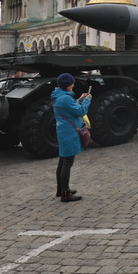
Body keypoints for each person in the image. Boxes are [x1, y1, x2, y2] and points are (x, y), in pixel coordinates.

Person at [52, 73, 91, 202]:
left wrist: (80, 100)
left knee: (62, 161)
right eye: (72, 83)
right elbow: (80, 111)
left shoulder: (59, 96)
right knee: (67, 164)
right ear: (68, 85)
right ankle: (66, 193)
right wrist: (87, 101)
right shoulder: (66, 99)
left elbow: (70, 109)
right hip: (70, 133)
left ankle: (61, 189)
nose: (74, 85)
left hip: (63, 132)